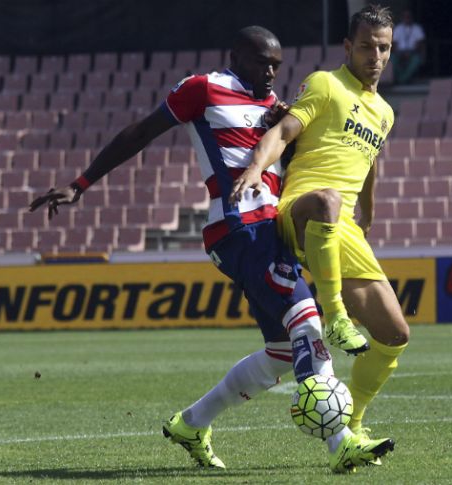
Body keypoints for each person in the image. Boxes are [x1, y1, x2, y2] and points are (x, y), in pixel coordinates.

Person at [28, 25, 393, 473]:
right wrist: (81, 184)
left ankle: (192, 423)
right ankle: (340, 443)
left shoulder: (273, 108)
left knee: (282, 351)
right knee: (307, 321)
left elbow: (291, 157)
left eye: (277, 66)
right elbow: (141, 132)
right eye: (262, 63)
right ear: (235, 57)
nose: (271, 73)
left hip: (270, 230)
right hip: (240, 227)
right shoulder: (203, 89)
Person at [230, 4, 410, 437]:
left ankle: (355, 424)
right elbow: (284, 132)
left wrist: (369, 209)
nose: (375, 56)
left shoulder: (385, 112)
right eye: (366, 46)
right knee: (328, 199)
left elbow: (369, 160)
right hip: (302, 208)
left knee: (394, 334)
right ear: (348, 47)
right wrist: (255, 168)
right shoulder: (325, 84)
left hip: (342, 225)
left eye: (383, 48)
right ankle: (336, 317)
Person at [390, 9, 425, 84]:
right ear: (402, 18)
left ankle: (402, 80)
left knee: (416, 60)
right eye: (405, 17)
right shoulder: (398, 28)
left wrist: (410, 53)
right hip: (400, 52)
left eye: (408, 17)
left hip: (413, 52)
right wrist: (400, 53)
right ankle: (402, 78)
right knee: (392, 58)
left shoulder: (417, 28)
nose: (407, 18)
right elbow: (395, 44)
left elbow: (420, 44)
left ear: (412, 18)